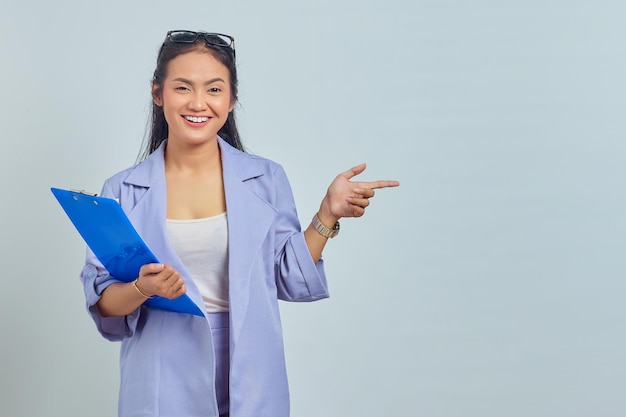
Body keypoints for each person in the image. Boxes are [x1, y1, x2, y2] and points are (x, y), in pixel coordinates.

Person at [80, 30, 399, 417]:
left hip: (251, 367)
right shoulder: (122, 190)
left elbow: (288, 276)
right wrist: (142, 288)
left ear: (231, 100)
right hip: (163, 371)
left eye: (214, 89)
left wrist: (327, 214)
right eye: (183, 88)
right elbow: (104, 301)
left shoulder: (265, 179)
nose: (198, 103)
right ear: (158, 93)